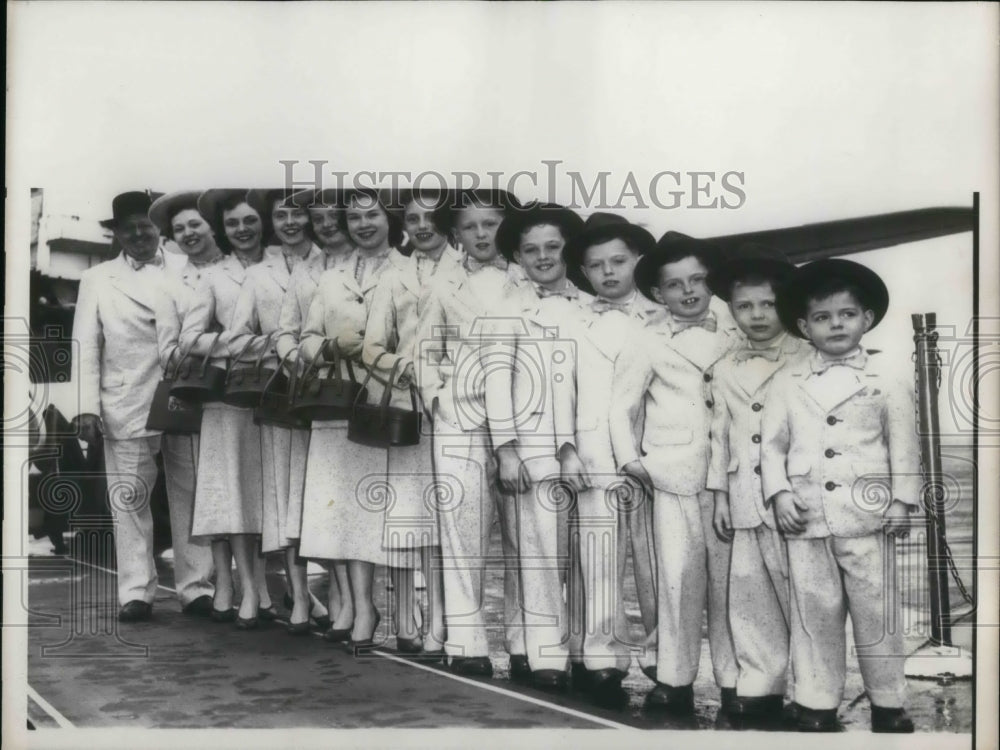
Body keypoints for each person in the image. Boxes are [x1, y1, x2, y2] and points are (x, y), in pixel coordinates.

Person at [761, 258, 918, 733]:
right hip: (807, 517)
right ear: (805, 326)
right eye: (824, 318)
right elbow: (771, 446)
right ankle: (816, 701)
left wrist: (901, 501)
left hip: (867, 517)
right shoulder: (787, 381)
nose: (836, 325)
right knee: (815, 614)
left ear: (866, 319)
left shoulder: (886, 378)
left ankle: (889, 702)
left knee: (877, 614)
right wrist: (780, 494)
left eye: (847, 315)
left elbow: (904, 445)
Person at [609, 235, 741, 716]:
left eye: (698, 280)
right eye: (673, 285)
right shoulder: (646, 338)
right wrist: (631, 462)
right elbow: (621, 405)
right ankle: (674, 677)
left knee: (731, 585)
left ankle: (736, 679)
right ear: (658, 294)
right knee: (677, 581)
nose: (687, 291)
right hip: (671, 475)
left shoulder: (738, 328)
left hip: (729, 478)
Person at [72, 190, 215, 621]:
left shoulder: (187, 266)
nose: (138, 233)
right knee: (129, 498)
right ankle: (136, 591)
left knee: (190, 492)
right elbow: (85, 345)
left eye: (145, 225)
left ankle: (197, 588)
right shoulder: (97, 279)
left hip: (184, 396)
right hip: (126, 400)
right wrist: (86, 407)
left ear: (159, 228)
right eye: (127, 227)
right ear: (115, 233)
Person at [414, 188, 525, 678]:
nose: (482, 234)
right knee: (461, 530)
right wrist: (439, 398)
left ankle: (526, 643)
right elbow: (425, 351)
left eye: (491, 223)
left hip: (524, 416)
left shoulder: (528, 278)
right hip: (459, 417)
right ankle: (467, 641)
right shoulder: (444, 284)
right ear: (455, 235)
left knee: (526, 531)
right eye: (469, 227)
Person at [483, 201, 593, 692]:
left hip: (585, 449)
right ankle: (540, 650)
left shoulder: (590, 308)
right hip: (529, 449)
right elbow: (496, 382)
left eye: (552, 247)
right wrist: (506, 449)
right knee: (533, 552)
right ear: (518, 257)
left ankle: (537, 644)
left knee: (579, 555)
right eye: (531, 250)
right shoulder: (507, 311)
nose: (542, 257)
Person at [297, 187, 405, 648]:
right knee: (344, 510)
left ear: (389, 218)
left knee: (386, 511)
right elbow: (304, 338)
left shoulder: (410, 270)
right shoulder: (330, 277)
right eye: (354, 217)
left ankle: (400, 614)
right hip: (338, 402)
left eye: (372, 215)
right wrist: (327, 348)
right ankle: (360, 607)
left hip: (391, 401)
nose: (363, 225)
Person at [703, 243, 805, 726]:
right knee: (749, 591)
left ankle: (811, 688)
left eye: (767, 304)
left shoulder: (808, 356)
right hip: (743, 494)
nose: (757, 315)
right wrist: (720, 494)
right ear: (731, 310)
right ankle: (760, 683)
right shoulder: (725, 367)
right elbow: (720, 434)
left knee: (803, 595)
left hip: (794, 498)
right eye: (744, 306)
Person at [562, 212, 660, 703]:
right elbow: (562, 389)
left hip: (654, 456)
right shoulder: (574, 320)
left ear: (640, 260)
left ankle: (666, 660)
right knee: (598, 559)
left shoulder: (665, 317)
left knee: (657, 561)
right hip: (594, 454)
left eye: (619, 260)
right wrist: (567, 448)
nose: (608, 272)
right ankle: (601, 660)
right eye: (596, 264)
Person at [362, 188, 464, 658]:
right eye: (413, 217)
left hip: (457, 408)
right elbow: (372, 347)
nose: (422, 226)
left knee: (449, 523)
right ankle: (408, 620)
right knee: (409, 523)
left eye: (431, 217)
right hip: (407, 409)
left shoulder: (466, 268)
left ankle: (444, 624)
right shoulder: (393, 274)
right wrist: (403, 369)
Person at [226, 189, 327, 634]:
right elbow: (234, 338)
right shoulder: (258, 273)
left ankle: (339, 599)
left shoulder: (332, 261)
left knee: (327, 497)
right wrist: (277, 345)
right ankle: (300, 597)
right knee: (286, 498)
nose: (290, 221)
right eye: (280, 215)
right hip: (281, 397)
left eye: (297, 213)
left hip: (330, 396)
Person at [178, 189, 270, 628]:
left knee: (263, 495)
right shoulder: (213, 277)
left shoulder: (282, 265)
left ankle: (264, 589)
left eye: (249, 220)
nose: (242, 230)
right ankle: (237, 587)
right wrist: (231, 343)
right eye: (233, 223)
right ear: (222, 230)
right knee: (226, 493)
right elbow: (187, 338)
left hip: (272, 397)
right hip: (226, 398)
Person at [274, 187, 356, 630]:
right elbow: (286, 333)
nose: (326, 224)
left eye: (333, 216)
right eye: (319, 217)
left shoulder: (371, 262)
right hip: (318, 401)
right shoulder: (305, 272)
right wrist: (304, 359)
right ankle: (338, 599)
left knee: (359, 502)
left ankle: (359, 601)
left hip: (368, 396)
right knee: (323, 502)